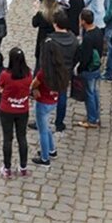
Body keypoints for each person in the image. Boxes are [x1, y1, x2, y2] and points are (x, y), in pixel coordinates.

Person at [0, 46, 32, 179]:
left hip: (7, 110)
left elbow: (0, 87)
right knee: (22, 138)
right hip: (22, 109)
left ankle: (7, 168)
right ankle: (23, 167)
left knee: (8, 138)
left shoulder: (6, 75)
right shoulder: (28, 74)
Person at [31, 38, 67, 168]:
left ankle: (45, 158)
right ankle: (52, 150)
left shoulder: (43, 72)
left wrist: (33, 89)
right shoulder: (60, 69)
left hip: (43, 102)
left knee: (42, 131)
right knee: (46, 127)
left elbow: (34, 84)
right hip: (53, 101)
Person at [43, 10, 77, 134]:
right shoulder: (73, 39)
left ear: (55, 24)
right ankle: (59, 122)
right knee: (62, 97)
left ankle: (42, 121)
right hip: (66, 73)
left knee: (45, 98)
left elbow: (45, 61)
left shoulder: (50, 41)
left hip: (52, 73)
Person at [76, 8, 105, 129]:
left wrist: (80, 69)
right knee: (94, 92)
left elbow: (86, 57)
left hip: (89, 69)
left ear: (83, 21)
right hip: (96, 67)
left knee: (90, 94)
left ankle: (92, 119)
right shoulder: (98, 31)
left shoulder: (88, 38)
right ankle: (95, 115)